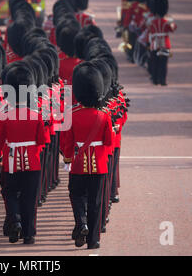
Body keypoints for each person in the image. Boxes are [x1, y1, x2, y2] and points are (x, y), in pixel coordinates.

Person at [0, 64, 46, 245]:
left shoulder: (4, 116)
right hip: (32, 161)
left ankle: (15, 221)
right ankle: (29, 235)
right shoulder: (35, 115)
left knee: (10, 193)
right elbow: (43, 140)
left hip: (11, 160)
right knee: (30, 198)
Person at [63, 62, 113, 249]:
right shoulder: (104, 116)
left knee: (76, 196)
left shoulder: (72, 114)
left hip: (77, 164)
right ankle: (93, 240)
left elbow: (68, 142)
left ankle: (81, 222)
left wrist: (67, 159)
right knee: (95, 202)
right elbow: (109, 141)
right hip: (99, 164)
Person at [146, 0, 177, 86]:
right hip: (165, 43)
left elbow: (149, 30)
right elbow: (172, 29)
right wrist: (171, 21)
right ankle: (163, 80)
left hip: (154, 43)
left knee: (155, 62)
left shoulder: (151, 21)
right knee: (163, 63)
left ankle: (155, 79)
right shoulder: (166, 22)